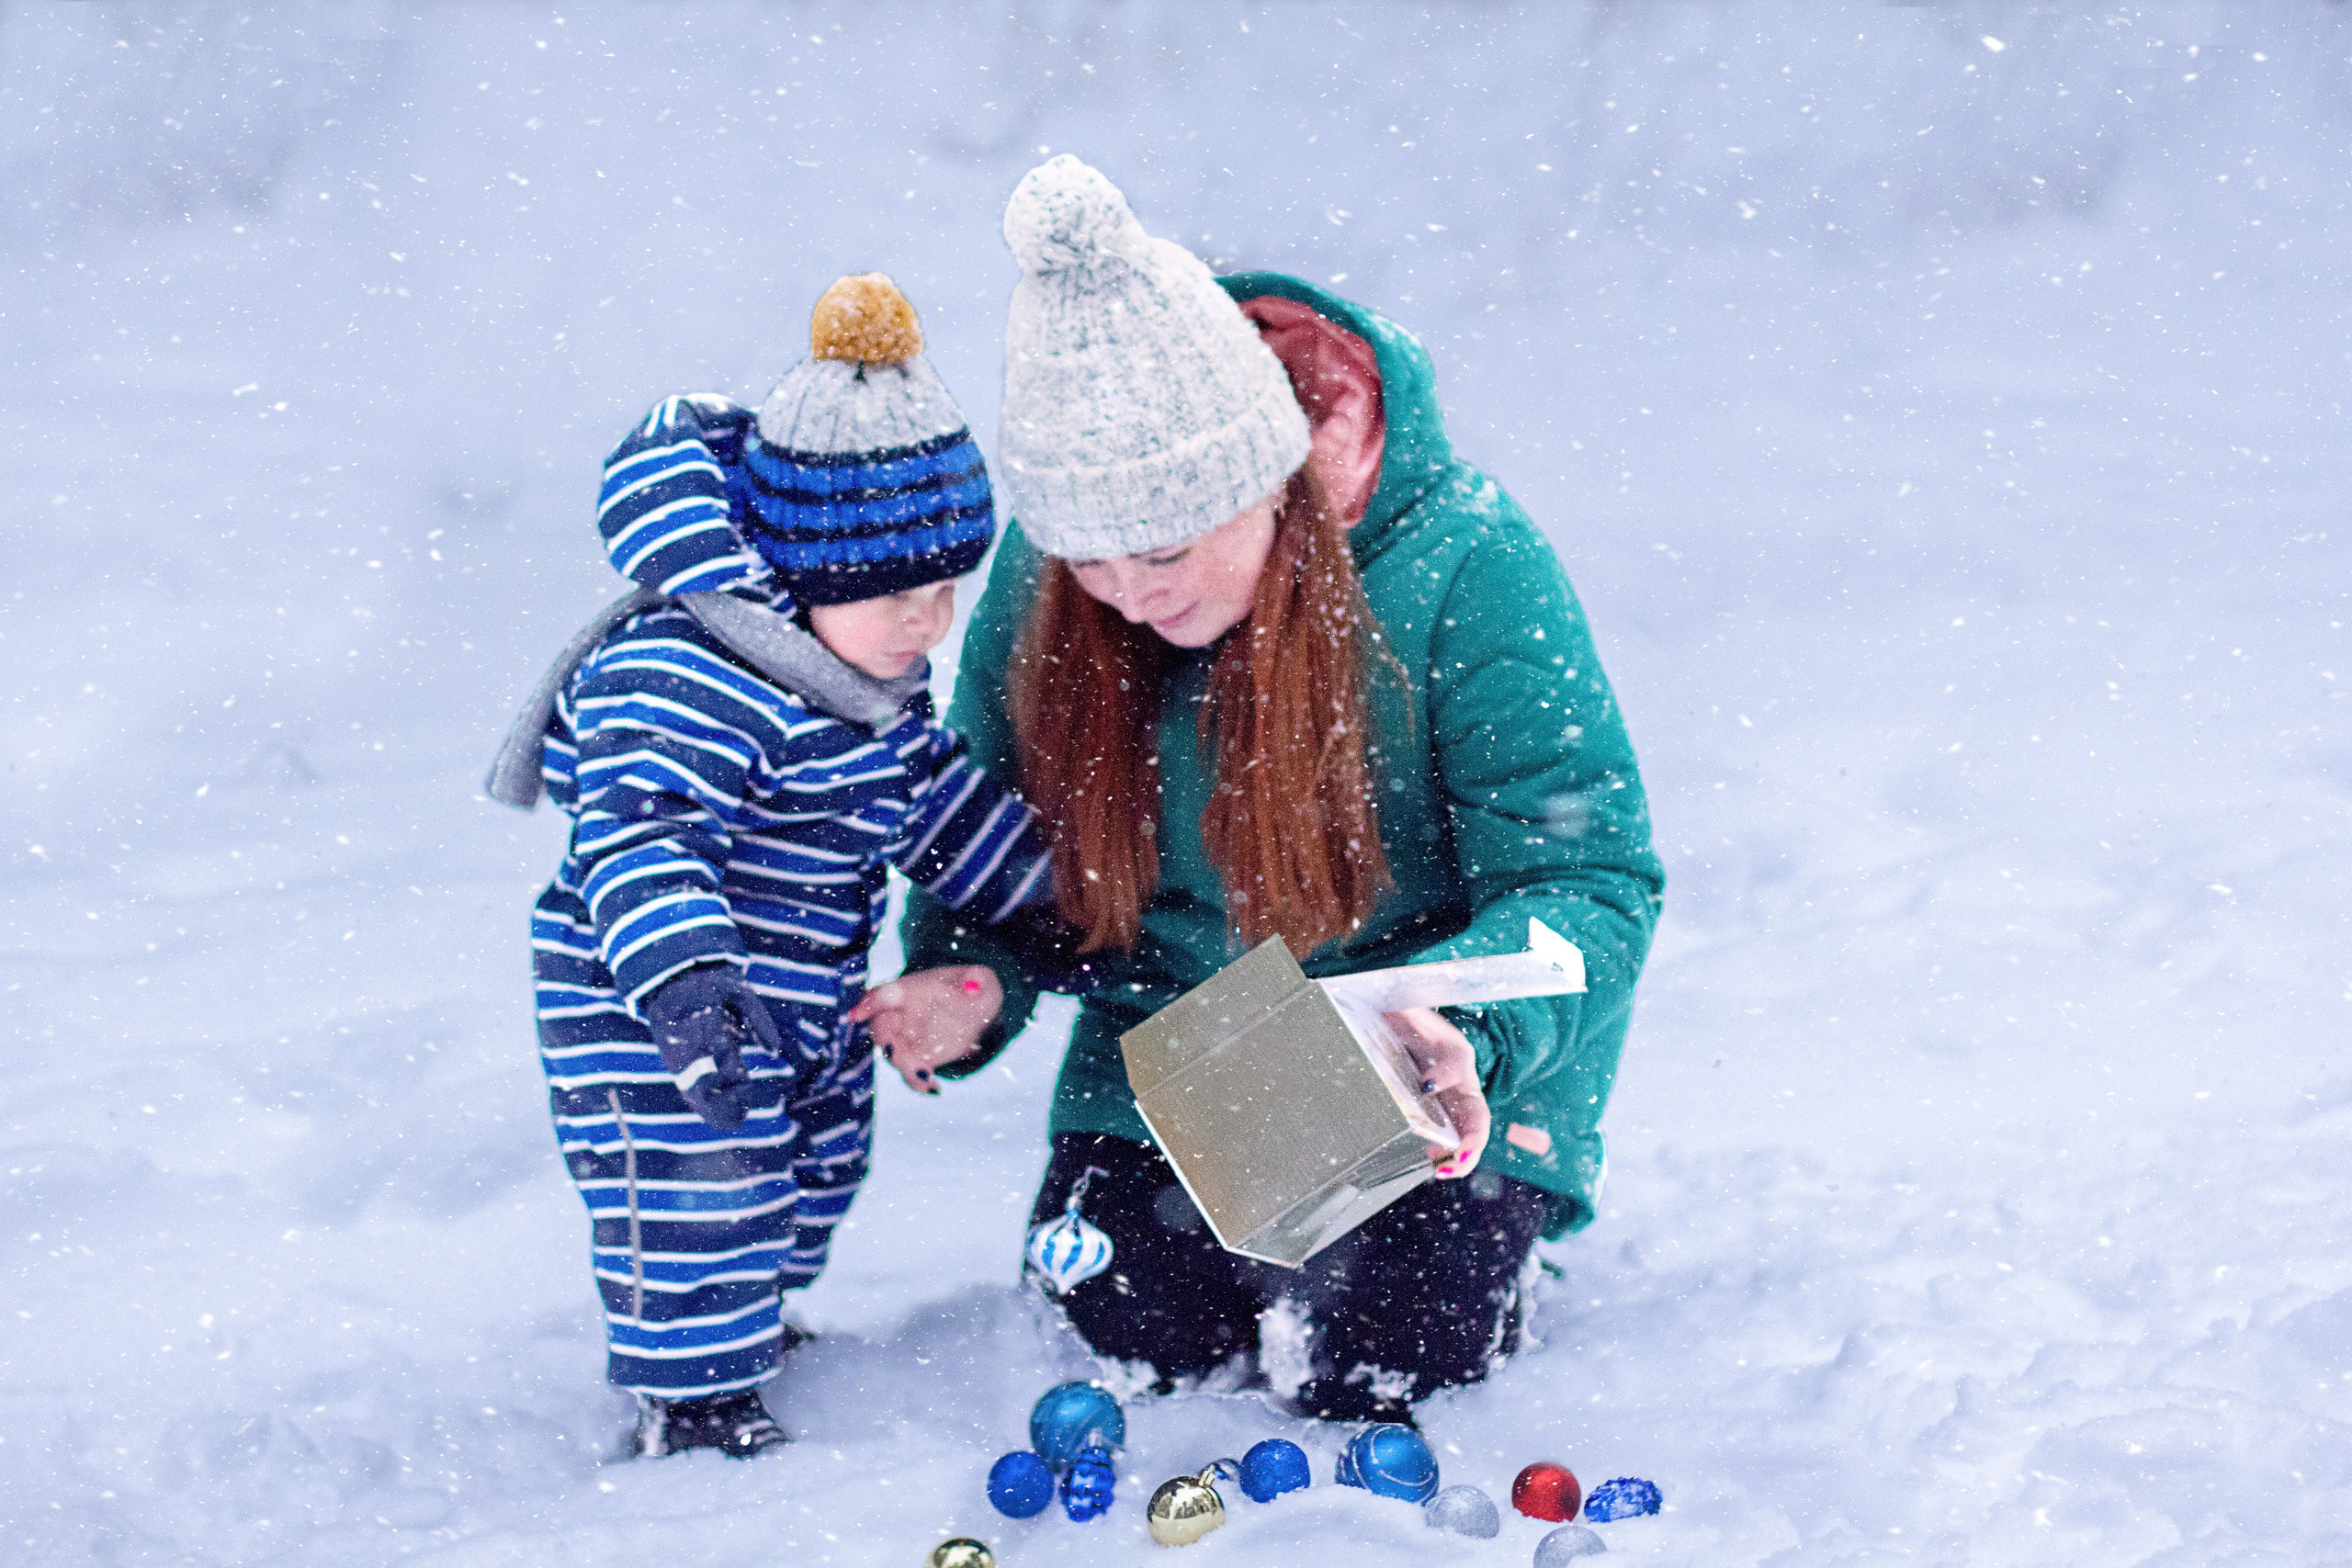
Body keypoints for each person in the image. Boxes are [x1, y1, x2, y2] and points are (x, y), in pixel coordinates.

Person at [860, 158, 1666, 1424]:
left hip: (1419, 1062)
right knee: (1132, 1330)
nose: (1128, 590)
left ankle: (1480, 1237)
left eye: (1167, 548)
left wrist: (1469, 1028)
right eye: (1091, 558)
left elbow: (1589, 879)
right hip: (1178, 1062)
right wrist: (974, 976)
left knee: (1381, 1354)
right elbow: (993, 838)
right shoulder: (1057, 575)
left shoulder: (1467, 561)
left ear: (1267, 486)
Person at [489, 275, 1049, 1459]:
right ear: (809, 574)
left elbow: (931, 800)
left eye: (947, 589)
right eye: (901, 594)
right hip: (659, 1005)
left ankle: (752, 1320)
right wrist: (689, 983)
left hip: (803, 994)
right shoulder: (687, 673)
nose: (931, 624)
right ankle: (694, 1403)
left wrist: (1054, 893)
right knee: (702, 1198)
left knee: (814, 1172)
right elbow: (638, 839)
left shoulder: (864, 685)